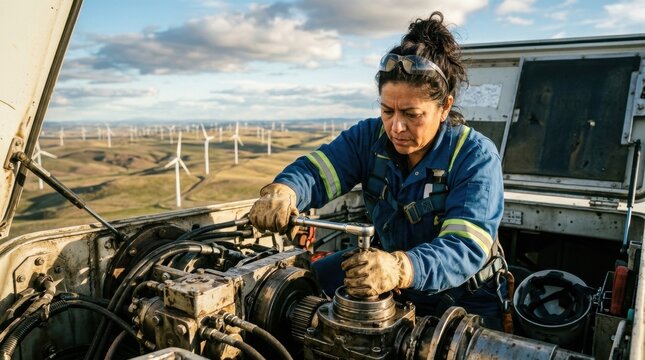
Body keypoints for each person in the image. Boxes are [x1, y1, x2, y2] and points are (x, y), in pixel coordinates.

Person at [249, 11, 506, 329]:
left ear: (445, 108)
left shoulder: (475, 156)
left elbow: (464, 247)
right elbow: (318, 172)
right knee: (300, 284)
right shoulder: (369, 138)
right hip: (388, 276)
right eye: (387, 110)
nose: (396, 126)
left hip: (463, 296)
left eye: (412, 114)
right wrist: (285, 189)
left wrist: (401, 268)